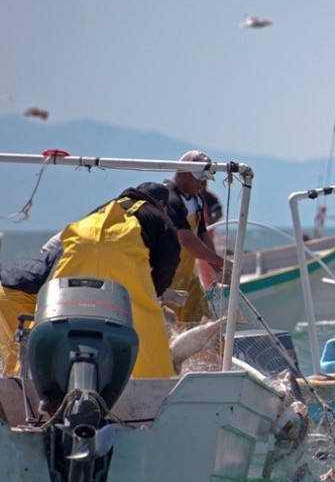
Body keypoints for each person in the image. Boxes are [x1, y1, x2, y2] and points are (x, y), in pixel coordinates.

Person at [51, 182, 181, 378]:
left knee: (63, 311)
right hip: (120, 250)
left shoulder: (102, 208)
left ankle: (43, 371)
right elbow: (167, 262)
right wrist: (154, 294)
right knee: (145, 324)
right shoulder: (158, 217)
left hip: (79, 247)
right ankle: (151, 380)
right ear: (162, 204)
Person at [165, 150, 231, 323]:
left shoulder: (197, 200)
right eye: (200, 178)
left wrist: (217, 267)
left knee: (206, 327)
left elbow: (202, 235)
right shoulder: (169, 199)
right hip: (164, 279)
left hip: (188, 279)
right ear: (185, 174)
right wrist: (221, 261)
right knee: (170, 331)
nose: (204, 183)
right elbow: (187, 241)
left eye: (206, 179)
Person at [0, 239, 61, 376]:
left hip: (29, 284)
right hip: (16, 291)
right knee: (19, 363)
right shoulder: (89, 230)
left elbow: (48, 246)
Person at [196, 184, 224, 288]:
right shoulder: (188, 198)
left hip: (206, 232)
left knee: (206, 259)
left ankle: (210, 284)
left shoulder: (210, 197)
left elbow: (219, 212)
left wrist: (209, 224)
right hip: (190, 234)